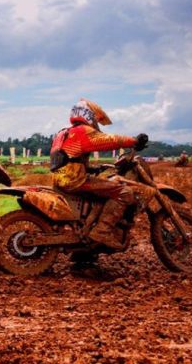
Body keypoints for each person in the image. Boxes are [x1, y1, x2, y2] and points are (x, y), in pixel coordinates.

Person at [50, 99, 148, 250]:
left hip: (60, 179)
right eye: (96, 119)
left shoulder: (64, 133)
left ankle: (88, 234)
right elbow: (109, 140)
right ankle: (102, 231)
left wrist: (91, 169)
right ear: (89, 115)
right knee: (124, 192)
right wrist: (134, 141)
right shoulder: (83, 131)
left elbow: (67, 157)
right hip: (75, 180)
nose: (96, 123)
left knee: (101, 189)